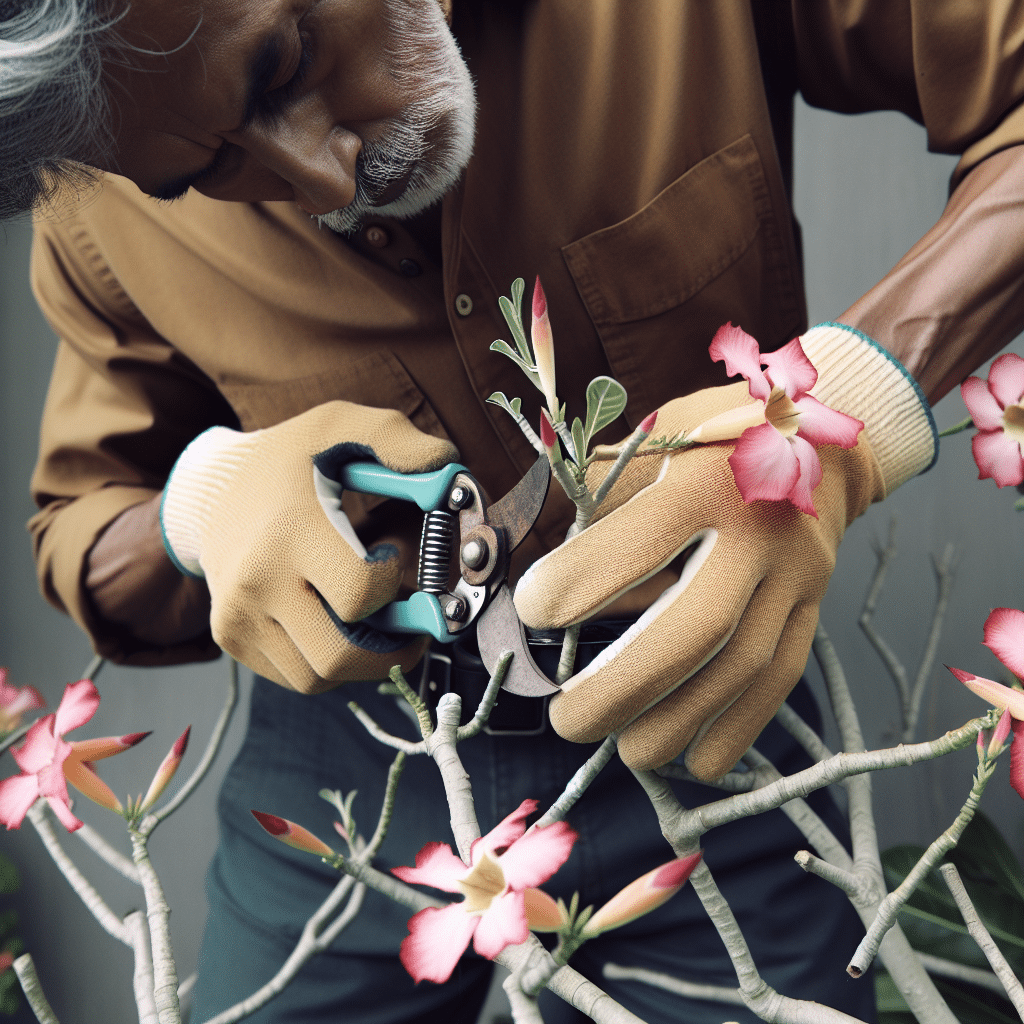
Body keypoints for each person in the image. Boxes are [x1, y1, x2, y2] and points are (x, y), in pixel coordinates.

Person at [8, 0, 1024, 1020]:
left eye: (284, 63)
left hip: (702, 703)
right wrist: (199, 508)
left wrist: (848, 399)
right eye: (206, 175)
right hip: (351, 764)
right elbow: (84, 521)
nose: (323, 178)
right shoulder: (98, 203)